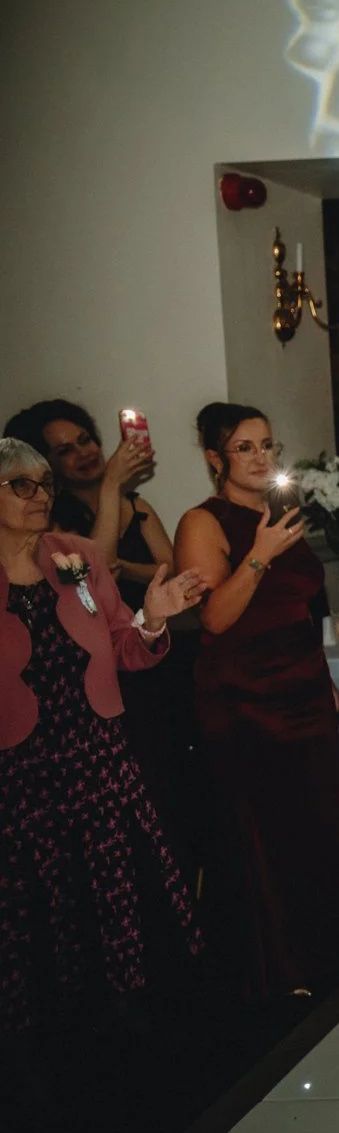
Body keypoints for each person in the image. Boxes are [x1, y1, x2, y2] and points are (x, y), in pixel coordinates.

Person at [0, 438, 205, 1031]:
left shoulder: (77, 557)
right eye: (22, 485)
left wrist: (154, 617)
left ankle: (126, 1019)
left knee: (115, 900)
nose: (40, 495)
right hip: (20, 772)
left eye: (44, 482)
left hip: (97, 760)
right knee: (39, 913)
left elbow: (123, 649)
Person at [174, 404, 339, 1001]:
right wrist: (260, 554)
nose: (261, 457)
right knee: (263, 831)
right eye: (245, 448)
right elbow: (217, 618)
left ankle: (324, 949)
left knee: (317, 824)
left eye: (267, 446)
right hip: (243, 696)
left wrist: (322, 674)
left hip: (300, 683)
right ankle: (277, 968)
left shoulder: (285, 512)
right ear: (215, 459)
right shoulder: (202, 522)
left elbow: (304, 606)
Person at [4, 400, 170, 608]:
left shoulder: (135, 506)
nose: (83, 453)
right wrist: (111, 482)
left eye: (85, 440)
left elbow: (172, 569)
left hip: (152, 626)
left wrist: (128, 569)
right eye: (66, 451)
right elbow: (95, 572)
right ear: (46, 464)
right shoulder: (48, 518)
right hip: (95, 631)